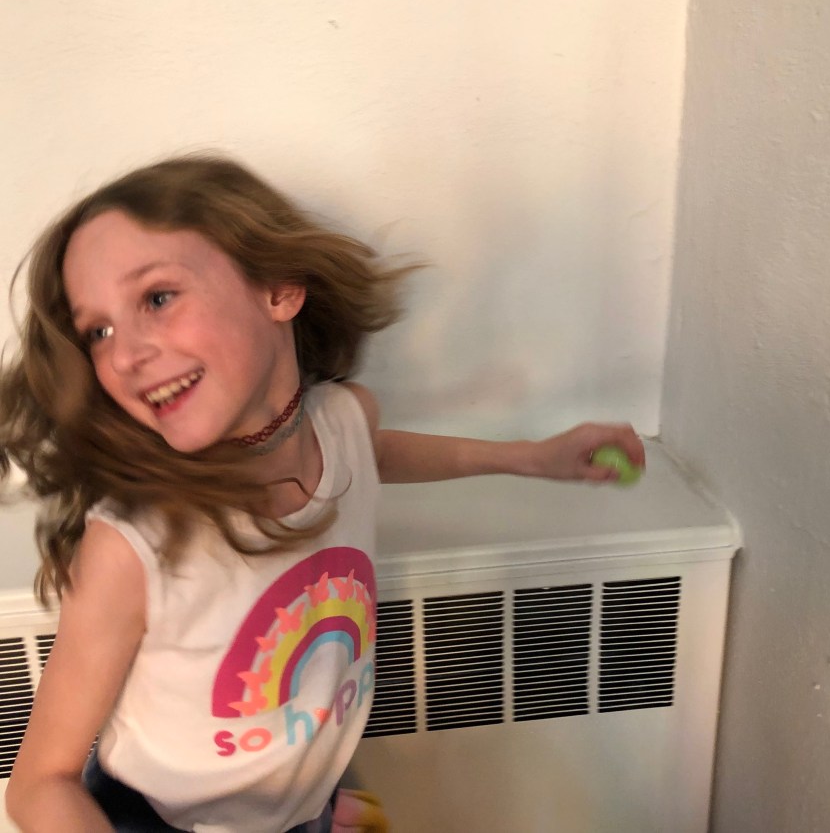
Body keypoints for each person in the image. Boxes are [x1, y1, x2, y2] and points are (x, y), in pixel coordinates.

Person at [1, 155, 644, 833]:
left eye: (157, 298)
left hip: (301, 799)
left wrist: (533, 457)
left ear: (279, 289)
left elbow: (375, 453)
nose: (126, 355)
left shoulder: (343, 419)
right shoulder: (133, 545)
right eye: (98, 331)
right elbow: (40, 785)